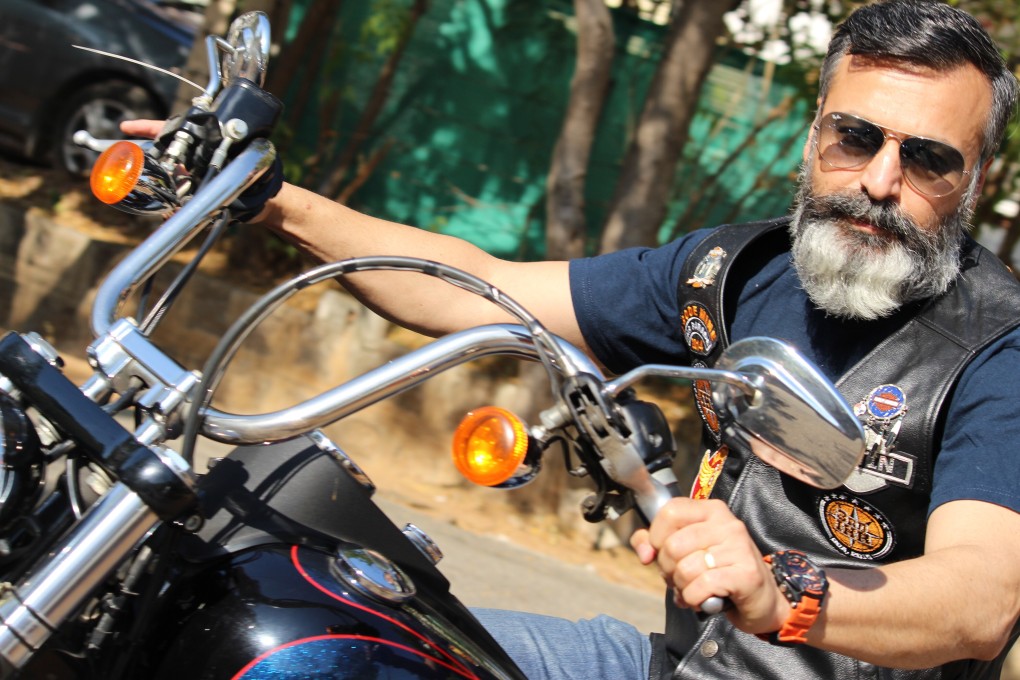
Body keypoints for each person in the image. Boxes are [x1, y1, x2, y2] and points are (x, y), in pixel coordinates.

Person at [125, 1, 1020, 677]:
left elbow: (980, 596)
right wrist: (271, 199)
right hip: (670, 665)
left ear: (974, 178)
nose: (879, 180)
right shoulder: (738, 269)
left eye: (930, 158)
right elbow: (482, 290)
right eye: (855, 137)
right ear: (814, 133)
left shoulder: (997, 346)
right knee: (349, 649)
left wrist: (779, 592)